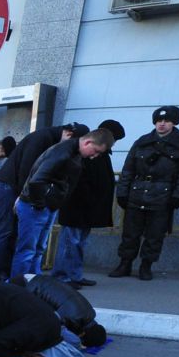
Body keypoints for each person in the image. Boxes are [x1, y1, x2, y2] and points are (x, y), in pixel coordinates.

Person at [12, 126, 115, 280]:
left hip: (42, 205)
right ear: (87, 143)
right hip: (36, 206)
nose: (95, 156)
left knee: (37, 248)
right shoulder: (63, 152)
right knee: (28, 250)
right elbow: (37, 181)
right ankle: (19, 284)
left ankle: (33, 281)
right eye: (96, 151)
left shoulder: (72, 152)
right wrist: (41, 203)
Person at [111, 105, 179, 281]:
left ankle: (146, 266)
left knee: (154, 234)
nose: (162, 124)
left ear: (174, 123)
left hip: (163, 195)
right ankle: (125, 264)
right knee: (130, 232)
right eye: (159, 121)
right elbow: (128, 169)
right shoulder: (142, 141)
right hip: (137, 192)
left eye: (166, 121)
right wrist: (122, 192)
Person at [0, 124, 79, 279]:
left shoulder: (50, 140)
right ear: (68, 134)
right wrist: (23, 197)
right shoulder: (42, 138)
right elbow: (27, 169)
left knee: (16, 233)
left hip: (15, 186)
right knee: (6, 230)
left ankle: (9, 272)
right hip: (9, 185)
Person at [52, 122, 121, 288]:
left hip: (87, 207)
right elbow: (80, 179)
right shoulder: (90, 153)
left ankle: (74, 275)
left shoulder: (100, 153)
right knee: (71, 243)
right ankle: (63, 276)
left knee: (78, 243)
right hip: (78, 206)